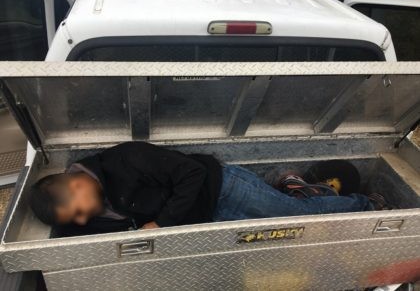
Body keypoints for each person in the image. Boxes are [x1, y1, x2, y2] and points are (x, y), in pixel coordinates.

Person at [29, 142, 377, 236]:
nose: (81, 218)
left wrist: (161, 224)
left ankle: (365, 205)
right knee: (278, 230)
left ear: (76, 184)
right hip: (208, 218)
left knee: (295, 218)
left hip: (225, 189)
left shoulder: (127, 159)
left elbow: (193, 173)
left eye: (75, 210)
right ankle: (291, 188)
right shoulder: (94, 203)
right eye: (73, 219)